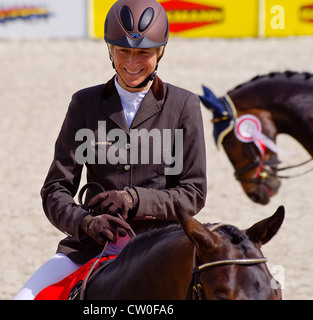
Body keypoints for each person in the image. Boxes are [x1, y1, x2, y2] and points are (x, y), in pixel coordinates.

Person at [14, 0, 207, 300]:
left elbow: (192, 193)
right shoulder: (85, 104)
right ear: (110, 50)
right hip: (93, 244)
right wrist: (85, 222)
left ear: (161, 52)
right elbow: (55, 190)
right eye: (123, 51)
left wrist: (134, 198)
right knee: (24, 298)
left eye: (144, 52)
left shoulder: (184, 105)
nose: (132, 62)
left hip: (162, 244)